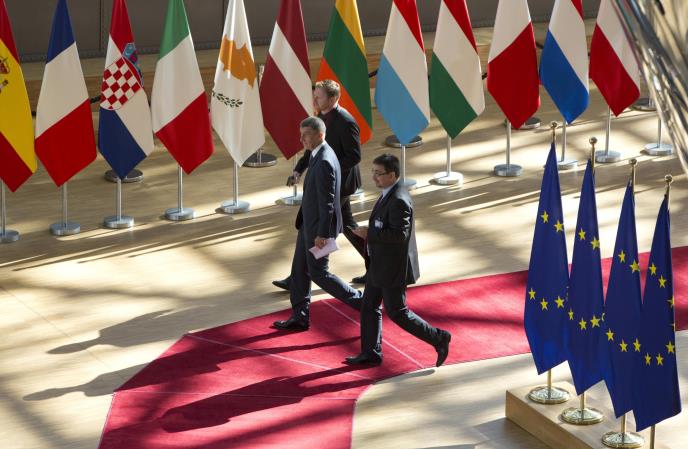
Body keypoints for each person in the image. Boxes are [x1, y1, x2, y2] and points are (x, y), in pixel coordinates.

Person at [345, 154, 451, 367]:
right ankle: (371, 352)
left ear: (392, 175)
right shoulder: (390, 193)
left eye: (378, 173)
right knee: (369, 305)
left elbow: (399, 235)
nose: (373, 177)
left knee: (397, 312)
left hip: (392, 268)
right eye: (373, 172)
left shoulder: (399, 200)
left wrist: (369, 234)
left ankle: (438, 338)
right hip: (380, 264)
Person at [272, 80, 367, 291]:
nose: (315, 100)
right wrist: (298, 170)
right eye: (315, 96)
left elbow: (354, 156)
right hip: (329, 181)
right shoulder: (320, 118)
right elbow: (312, 151)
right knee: (347, 226)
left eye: (319, 97)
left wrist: (329, 170)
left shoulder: (346, 121)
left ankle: (299, 276)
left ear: (333, 98)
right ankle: (376, 264)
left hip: (339, 184)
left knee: (313, 225)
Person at [273, 117, 363, 330]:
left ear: (320, 135)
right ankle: (300, 316)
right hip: (309, 224)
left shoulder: (324, 161)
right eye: (301, 134)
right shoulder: (319, 153)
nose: (301, 139)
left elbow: (327, 203)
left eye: (305, 135)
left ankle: (363, 303)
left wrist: (322, 234)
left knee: (319, 274)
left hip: (318, 230)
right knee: (299, 271)